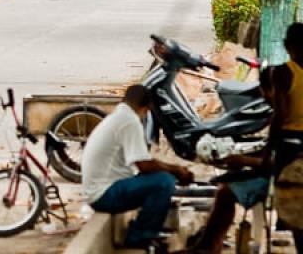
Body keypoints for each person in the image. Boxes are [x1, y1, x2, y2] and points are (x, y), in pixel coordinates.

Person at [177, 23, 303, 253]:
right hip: (291, 152)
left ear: (288, 46)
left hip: (291, 155)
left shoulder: (286, 72)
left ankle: (207, 247)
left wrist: (252, 161)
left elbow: (280, 118)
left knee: (227, 191)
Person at [83, 85, 194, 251]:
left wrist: (169, 168)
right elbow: (144, 165)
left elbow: (143, 161)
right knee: (163, 182)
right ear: (146, 108)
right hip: (104, 194)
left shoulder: (120, 117)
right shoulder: (129, 121)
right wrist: (176, 170)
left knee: (161, 178)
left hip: (102, 190)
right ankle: (140, 236)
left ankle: (143, 231)